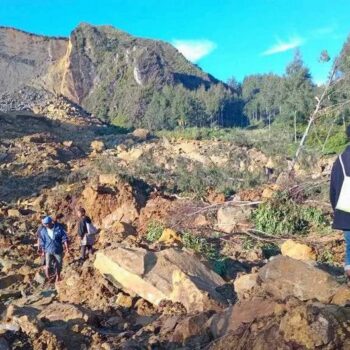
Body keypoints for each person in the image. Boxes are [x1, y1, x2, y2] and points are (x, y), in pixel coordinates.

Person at [330, 126, 350, 279]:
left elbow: (334, 189)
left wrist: (336, 209)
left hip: (346, 209)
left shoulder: (341, 160)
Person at [38, 216, 69, 282]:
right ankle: (48, 277)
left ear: (50, 222)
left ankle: (58, 276)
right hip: (48, 250)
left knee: (59, 265)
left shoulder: (58, 229)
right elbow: (42, 241)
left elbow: (64, 238)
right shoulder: (43, 231)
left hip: (58, 250)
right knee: (47, 265)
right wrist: (42, 251)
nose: (46, 225)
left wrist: (67, 247)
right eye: (45, 224)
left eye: (47, 224)